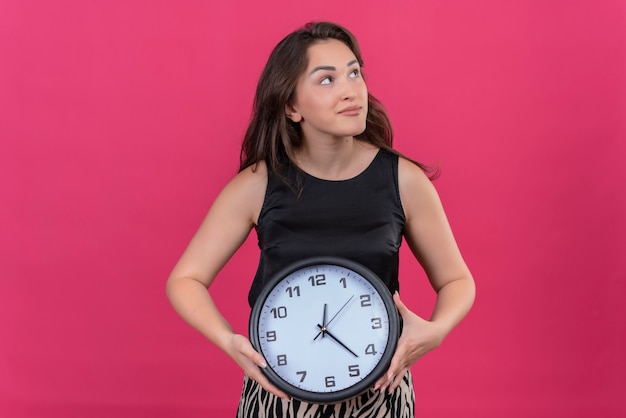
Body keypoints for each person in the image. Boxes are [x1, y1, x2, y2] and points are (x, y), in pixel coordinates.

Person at [166, 21, 476, 418]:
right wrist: (229, 341)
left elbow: (457, 280)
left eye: (354, 72)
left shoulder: (403, 180)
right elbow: (185, 279)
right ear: (291, 106)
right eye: (326, 79)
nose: (351, 90)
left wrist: (435, 331)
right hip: (279, 396)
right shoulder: (258, 184)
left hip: (379, 393)